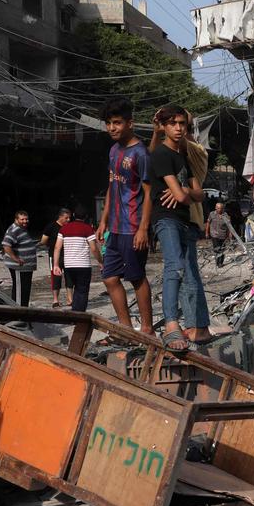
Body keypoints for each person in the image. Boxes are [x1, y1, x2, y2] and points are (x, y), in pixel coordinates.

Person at [150, 105, 212, 351]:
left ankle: (197, 327)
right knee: (175, 267)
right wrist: (186, 192)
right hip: (167, 218)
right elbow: (185, 194)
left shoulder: (186, 155)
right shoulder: (162, 155)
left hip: (186, 220)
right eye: (173, 123)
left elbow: (197, 193)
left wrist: (186, 191)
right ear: (163, 126)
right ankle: (172, 324)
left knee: (189, 272)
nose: (178, 128)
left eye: (182, 124)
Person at [96, 97, 155, 335]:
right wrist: (102, 220)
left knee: (136, 277)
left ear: (130, 123)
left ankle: (147, 329)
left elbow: (150, 194)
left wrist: (143, 229)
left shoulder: (141, 154)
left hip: (133, 227)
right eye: (109, 123)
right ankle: (126, 329)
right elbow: (112, 186)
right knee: (110, 278)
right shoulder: (113, 151)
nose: (112, 128)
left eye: (117, 123)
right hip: (115, 228)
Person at [52, 206, 100, 312]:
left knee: (74, 288)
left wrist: (55, 265)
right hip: (83, 265)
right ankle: (80, 315)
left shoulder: (64, 229)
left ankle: (75, 312)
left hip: (68, 265)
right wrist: (101, 262)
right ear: (86, 217)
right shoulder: (88, 229)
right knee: (82, 290)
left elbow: (57, 247)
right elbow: (94, 248)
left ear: (74, 215)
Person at [1, 210, 38, 306]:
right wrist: (15, 258)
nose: (25, 221)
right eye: (22, 219)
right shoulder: (14, 230)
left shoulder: (21, 229)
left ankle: (24, 312)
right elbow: (6, 245)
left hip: (25, 268)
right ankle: (18, 313)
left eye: (26, 219)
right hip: (19, 267)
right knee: (20, 292)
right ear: (16, 219)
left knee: (25, 290)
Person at [39, 209, 72, 307]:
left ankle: (70, 299)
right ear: (60, 217)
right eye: (66, 218)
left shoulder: (68, 227)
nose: (68, 220)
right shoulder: (51, 227)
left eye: (69, 217)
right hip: (53, 256)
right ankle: (55, 300)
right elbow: (43, 241)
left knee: (69, 277)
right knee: (56, 277)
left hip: (68, 255)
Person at [206, 202, 232, 267]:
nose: (219, 210)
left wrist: (230, 234)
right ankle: (218, 262)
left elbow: (228, 225)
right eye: (218, 208)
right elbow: (208, 223)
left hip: (223, 235)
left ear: (223, 209)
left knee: (222, 249)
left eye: (221, 208)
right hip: (214, 234)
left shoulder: (225, 215)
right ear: (215, 208)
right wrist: (207, 232)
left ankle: (221, 262)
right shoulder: (212, 214)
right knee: (217, 249)